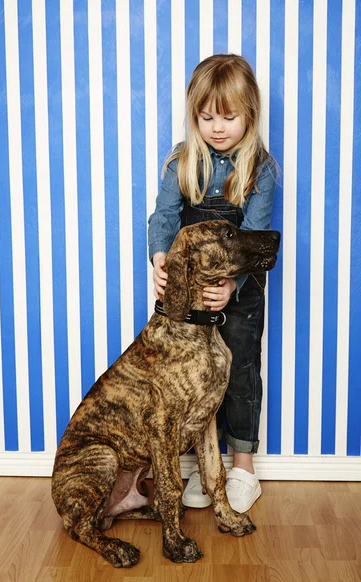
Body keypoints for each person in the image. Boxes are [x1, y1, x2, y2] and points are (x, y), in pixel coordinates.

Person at [147, 54, 278, 513]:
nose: (217, 127)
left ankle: (242, 465)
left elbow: (253, 240)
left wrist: (231, 285)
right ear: (195, 116)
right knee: (193, 377)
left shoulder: (259, 170)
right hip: (193, 295)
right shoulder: (182, 165)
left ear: (251, 116)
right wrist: (160, 259)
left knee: (239, 372)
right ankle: (208, 469)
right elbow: (163, 218)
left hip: (239, 294)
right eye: (207, 117)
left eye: (229, 116)